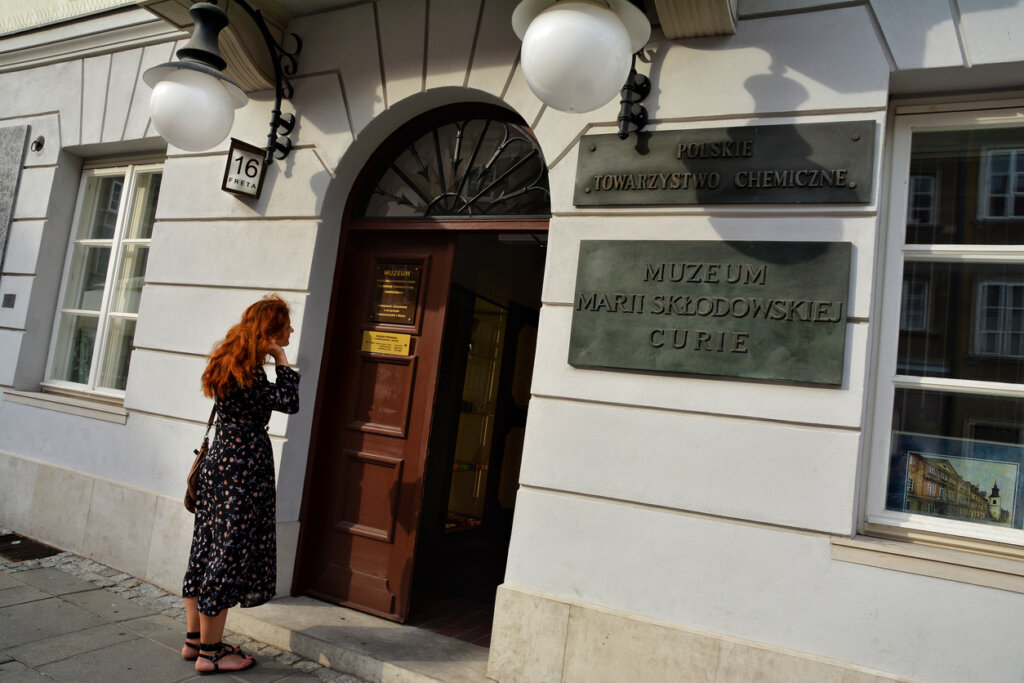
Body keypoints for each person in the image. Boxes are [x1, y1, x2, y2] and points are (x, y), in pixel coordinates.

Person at [180, 294, 300, 674]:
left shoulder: (231, 361)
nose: (292, 331)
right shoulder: (249, 372)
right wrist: (282, 360)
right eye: (286, 327)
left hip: (221, 465)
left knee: (206, 546)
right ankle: (212, 655)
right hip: (242, 470)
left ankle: (195, 640)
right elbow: (289, 401)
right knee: (227, 554)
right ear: (270, 331)